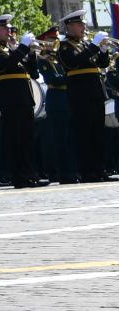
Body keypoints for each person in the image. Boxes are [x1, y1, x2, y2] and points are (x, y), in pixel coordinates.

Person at [56, 10, 114, 182]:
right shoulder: (65, 46)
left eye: (83, 23)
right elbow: (72, 62)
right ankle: (87, 171)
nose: (84, 27)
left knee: (97, 134)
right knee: (84, 134)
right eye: (79, 24)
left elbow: (101, 64)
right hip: (80, 94)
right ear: (69, 26)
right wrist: (94, 46)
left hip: (95, 92)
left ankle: (99, 169)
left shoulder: (84, 44)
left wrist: (103, 51)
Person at [0, 16, 42, 187]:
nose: (9, 31)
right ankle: (19, 177)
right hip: (10, 99)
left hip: (25, 98)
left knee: (27, 139)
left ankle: (30, 174)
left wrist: (31, 54)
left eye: (8, 28)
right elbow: (5, 66)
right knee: (15, 139)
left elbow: (33, 74)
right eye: (4, 28)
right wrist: (23, 48)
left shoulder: (12, 49)